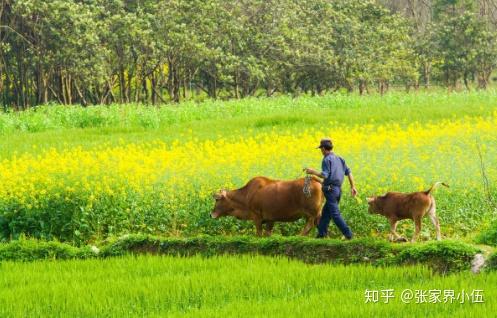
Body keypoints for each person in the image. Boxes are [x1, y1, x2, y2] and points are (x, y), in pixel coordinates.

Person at [303, 138, 357, 239]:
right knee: (326, 213)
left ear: (323, 148)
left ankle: (348, 235)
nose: (321, 151)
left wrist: (312, 171)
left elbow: (325, 175)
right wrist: (353, 186)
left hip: (330, 190)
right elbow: (349, 172)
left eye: (321, 149)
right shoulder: (340, 158)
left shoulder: (326, 159)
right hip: (337, 190)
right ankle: (321, 234)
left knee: (335, 215)